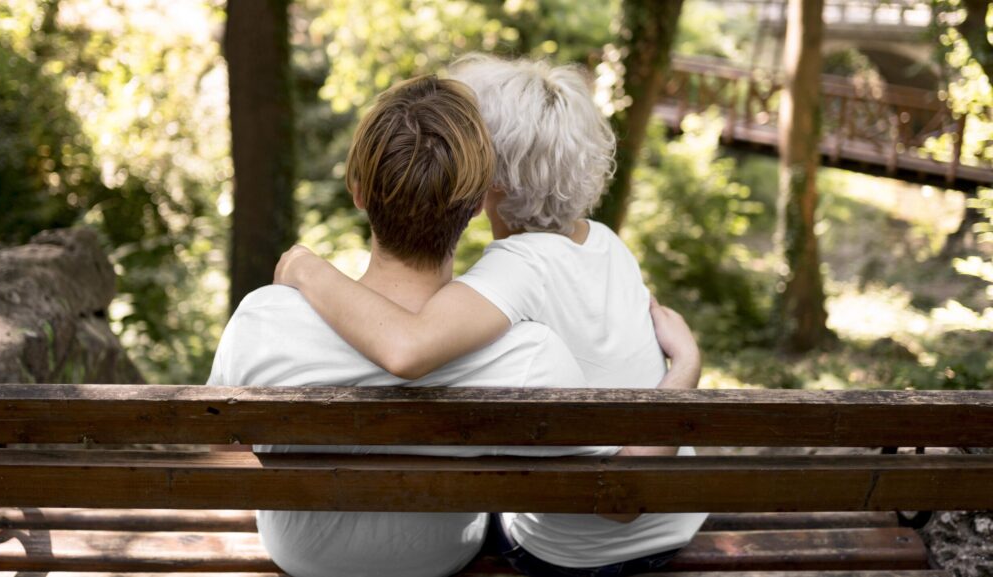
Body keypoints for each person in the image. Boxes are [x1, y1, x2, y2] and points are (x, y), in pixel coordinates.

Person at [274, 55, 707, 577]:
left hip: (574, 554)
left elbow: (405, 347)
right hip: (676, 524)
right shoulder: (606, 244)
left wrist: (308, 270)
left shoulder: (513, 269)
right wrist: (685, 362)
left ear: (489, 175)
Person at [208, 74, 625, 577]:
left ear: (358, 192)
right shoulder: (530, 354)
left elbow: (221, 446)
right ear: (475, 207)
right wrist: (684, 365)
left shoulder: (262, 319)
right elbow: (609, 477)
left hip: (300, 557)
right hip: (440, 558)